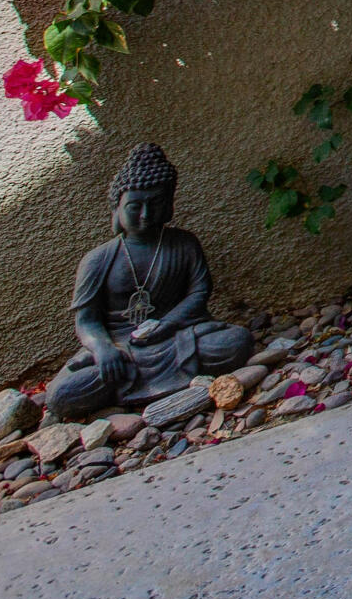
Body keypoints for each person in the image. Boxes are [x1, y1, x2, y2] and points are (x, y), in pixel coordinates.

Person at [43, 143, 252, 418]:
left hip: (175, 338)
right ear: (116, 209)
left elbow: (199, 294)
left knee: (238, 341)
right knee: (60, 396)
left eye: (155, 204)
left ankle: (129, 392)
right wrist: (103, 349)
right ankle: (136, 382)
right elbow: (86, 320)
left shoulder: (185, 244)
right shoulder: (98, 259)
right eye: (134, 206)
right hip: (121, 347)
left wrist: (166, 325)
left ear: (169, 205)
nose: (145, 215)